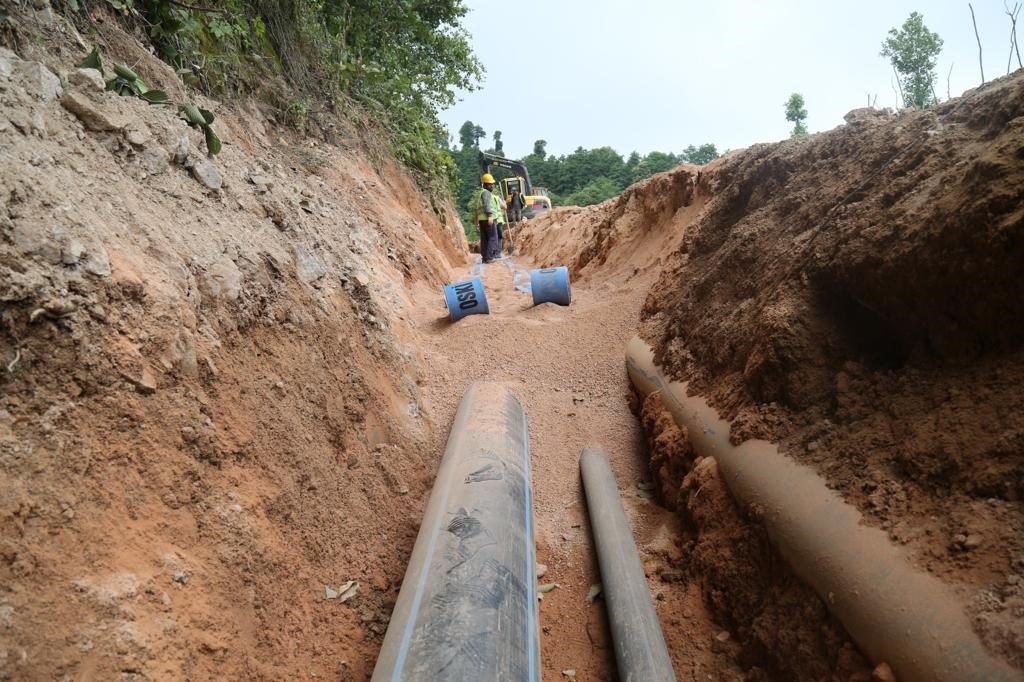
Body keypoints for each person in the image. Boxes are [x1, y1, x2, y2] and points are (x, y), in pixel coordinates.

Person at [469, 173, 503, 263]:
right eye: (489, 184)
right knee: (492, 238)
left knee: (484, 239)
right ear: (485, 184)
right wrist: (490, 216)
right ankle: (489, 257)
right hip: (488, 219)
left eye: (492, 184)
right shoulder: (486, 193)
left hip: (482, 219)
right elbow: (487, 206)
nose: (492, 186)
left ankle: (485, 258)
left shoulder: (482, 193)